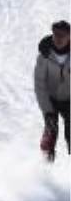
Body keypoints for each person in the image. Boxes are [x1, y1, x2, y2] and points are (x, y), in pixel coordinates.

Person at [34, 20, 71, 162]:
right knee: (50, 132)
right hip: (51, 100)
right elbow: (39, 84)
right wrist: (47, 110)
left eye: (63, 35)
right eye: (56, 34)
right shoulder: (45, 55)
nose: (59, 38)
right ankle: (45, 167)